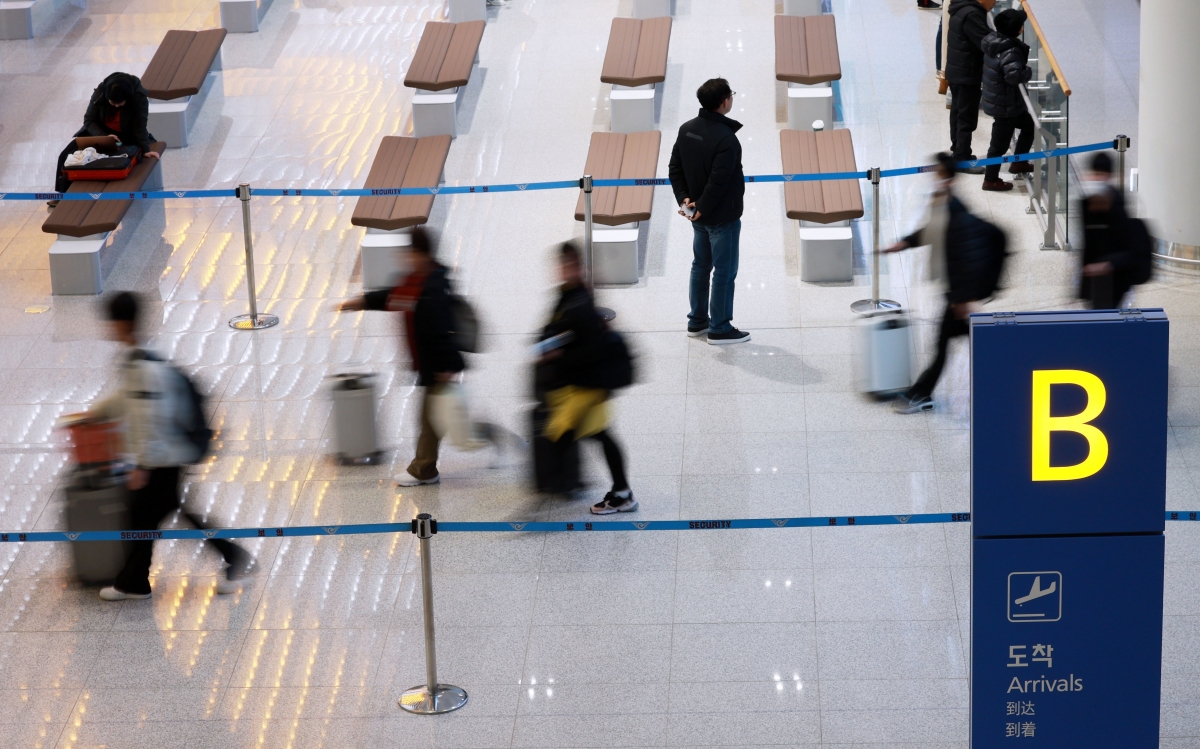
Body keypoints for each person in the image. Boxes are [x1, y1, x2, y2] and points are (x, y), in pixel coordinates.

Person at [88, 292, 252, 601]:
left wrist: (141, 465)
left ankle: (230, 557)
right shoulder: (137, 359)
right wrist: (93, 414)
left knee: (148, 515)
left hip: (165, 457)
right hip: (163, 456)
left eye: (110, 322)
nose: (107, 329)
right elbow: (126, 399)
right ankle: (137, 580)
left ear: (122, 323)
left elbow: (153, 419)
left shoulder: (146, 368)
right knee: (150, 515)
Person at [337, 228, 501, 487]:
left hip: (439, 367)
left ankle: (424, 470)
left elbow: (441, 331)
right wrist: (362, 301)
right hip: (431, 365)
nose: (405, 259)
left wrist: (446, 368)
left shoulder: (433, 287)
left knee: (431, 421)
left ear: (421, 254)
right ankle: (486, 436)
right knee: (440, 421)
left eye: (409, 254)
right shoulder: (416, 281)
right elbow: (391, 296)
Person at [885, 154, 997, 413]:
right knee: (955, 341)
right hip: (954, 291)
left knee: (942, 345)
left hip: (957, 293)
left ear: (949, 178)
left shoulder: (956, 210)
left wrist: (963, 299)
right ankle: (922, 392)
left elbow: (966, 256)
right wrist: (904, 243)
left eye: (939, 174)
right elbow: (931, 231)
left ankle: (921, 394)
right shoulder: (940, 202)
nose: (935, 179)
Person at [539, 242, 637, 515]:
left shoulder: (580, 300)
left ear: (578, 267)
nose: (563, 269)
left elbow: (592, 349)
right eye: (561, 264)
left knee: (570, 433)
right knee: (595, 435)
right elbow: (555, 329)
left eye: (569, 265)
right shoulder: (569, 294)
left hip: (587, 386)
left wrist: (558, 355)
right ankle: (615, 490)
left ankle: (617, 492)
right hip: (583, 385)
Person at [668, 77, 751, 345]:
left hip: (697, 217)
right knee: (724, 272)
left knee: (700, 266)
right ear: (724, 102)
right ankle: (720, 327)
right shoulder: (726, 139)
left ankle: (697, 321)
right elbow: (720, 181)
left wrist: (686, 201)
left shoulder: (687, 129)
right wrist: (701, 206)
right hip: (721, 217)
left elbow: (675, 168)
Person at [52, 72, 160, 199]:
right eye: (112, 103)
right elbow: (89, 120)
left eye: (120, 103)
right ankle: (62, 195)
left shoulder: (139, 98)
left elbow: (140, 126)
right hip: (100, 132)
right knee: (65, 156)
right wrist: (105, 137)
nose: (116, 106)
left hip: (126, 135)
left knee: (117, 161)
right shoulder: (100, 93)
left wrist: (146, 149)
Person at [980, 9, 1035, 191]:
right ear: (1017, 29)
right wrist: (1028, 71)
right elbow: (1014, 76)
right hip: (1005, 106)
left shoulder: (993, 41)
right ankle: (990, 180)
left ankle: (1019, 161)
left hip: (1004, 101)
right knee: (998, 146)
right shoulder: (1010, 50)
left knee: (1028, 125)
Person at [945, 0, 996, 174]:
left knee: (958, 113)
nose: (994, 4)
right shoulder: (972, 14)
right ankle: (961, 157)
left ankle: (958, 151)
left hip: (956, 71)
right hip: (966, 74)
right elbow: (986, 41)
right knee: (966, 117)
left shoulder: (960, 7)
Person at [1079, 152, 1134, 309]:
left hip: (1114, 276)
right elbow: (1086, 241)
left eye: (1101, 174)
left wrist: (1106, 265)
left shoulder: (1117, 201)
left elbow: (1126, 244)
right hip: (1092, 275)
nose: (1097, 179)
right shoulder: (1086, 201)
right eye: (1095, 174)